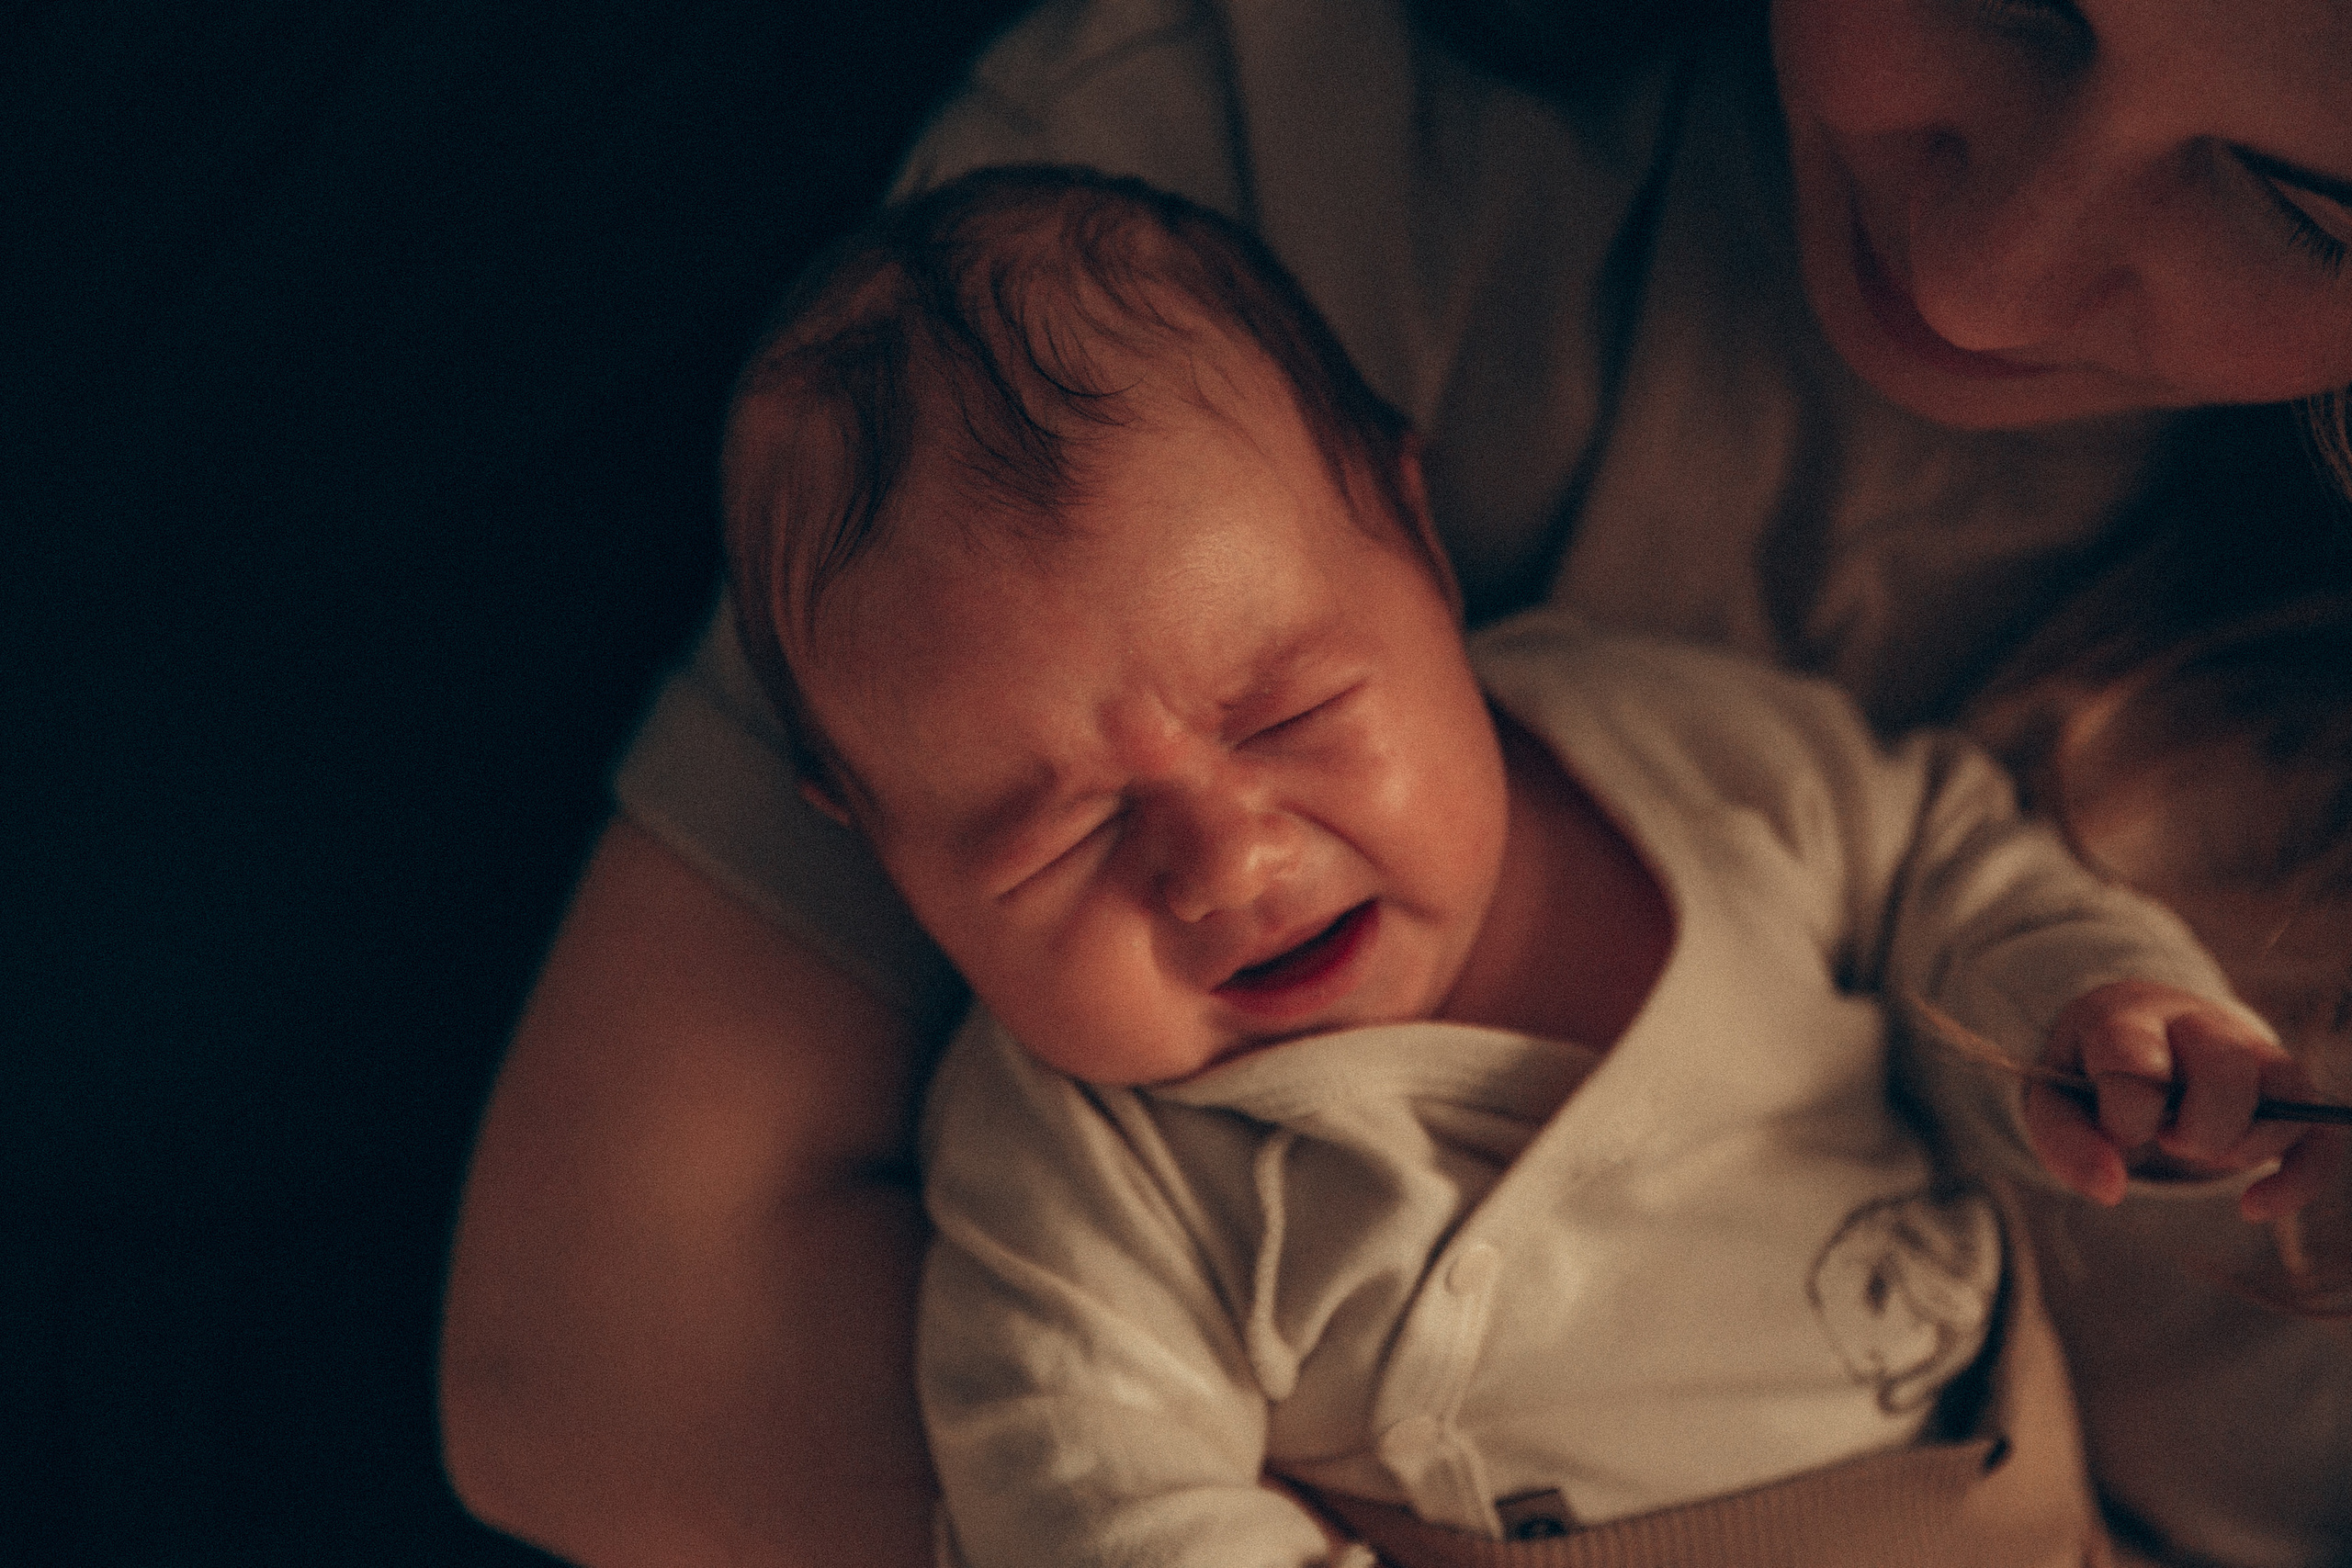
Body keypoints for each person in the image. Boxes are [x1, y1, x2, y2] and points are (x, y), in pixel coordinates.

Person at [436, 3, 2352, 1564]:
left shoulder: (1676, 754)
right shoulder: (1141, 272)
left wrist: (2089, 1013)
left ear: (1418, 537)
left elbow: (1950, 886)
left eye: (2302, 199)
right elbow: (624, 1377)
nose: (1990, 268)